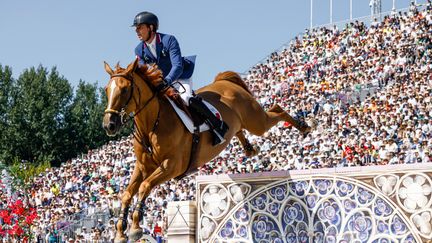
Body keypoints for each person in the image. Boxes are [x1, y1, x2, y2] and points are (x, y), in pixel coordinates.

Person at [132, 11, 228, 145]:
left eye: (139, 27)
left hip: (179, 76)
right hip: (160, 83)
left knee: (186, 98)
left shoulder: (169, 40)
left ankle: (217, 125)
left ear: (151, 27)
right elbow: (144, 73)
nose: (137, 31)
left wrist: (167, 81)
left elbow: (177, 66)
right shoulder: (139, 50)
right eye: (136, 28)